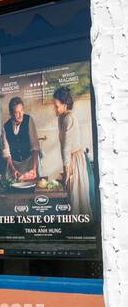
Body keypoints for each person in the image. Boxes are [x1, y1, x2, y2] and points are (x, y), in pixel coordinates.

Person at [53, 85, 92, 216]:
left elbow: (66, 147)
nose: (54, 108)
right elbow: (63, 145)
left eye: (56, 106)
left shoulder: (69, 118)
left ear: (65, 105)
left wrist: (67, 169)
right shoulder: (61, 118)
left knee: (76, 198)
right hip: (70, 158)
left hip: (75, 159)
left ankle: (80, 229)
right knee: (71, 196)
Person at [0, 96, 42, 181]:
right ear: (11, 114)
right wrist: (12, 169)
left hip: (30, 162)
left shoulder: (29, 120)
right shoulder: (6, 127)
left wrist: (34, 169)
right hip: (14, 165)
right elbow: (6, 152)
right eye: (16, 112)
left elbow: (35, 146)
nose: (20, 115)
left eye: (21, 111)